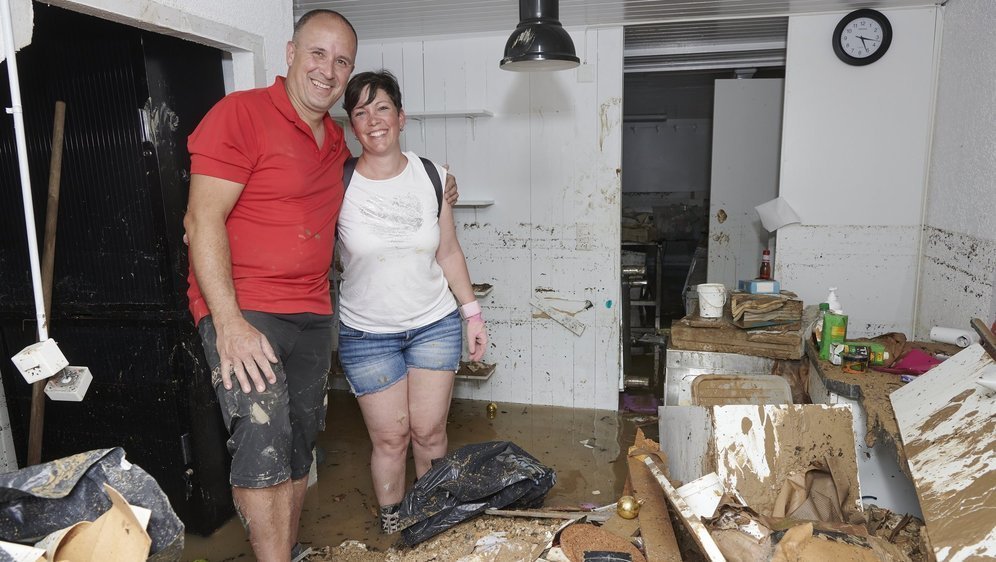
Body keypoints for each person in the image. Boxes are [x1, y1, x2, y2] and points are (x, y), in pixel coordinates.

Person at [182, 10, 457, 561]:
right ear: (289, 52)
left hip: (310, 314)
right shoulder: (239, 115)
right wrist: (229, 324)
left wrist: (436, 180)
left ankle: (285, 549)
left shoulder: (334, 143)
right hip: (245, 311)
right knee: (261, 440)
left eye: (341, 60)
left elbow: (379, 176)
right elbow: (200, 221)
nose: (328, 70)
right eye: (317, 53)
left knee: (297, 444)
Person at [336, 70, 488, 534]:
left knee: (430, 432)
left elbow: (448, 251)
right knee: (390, 438)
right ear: (352, 125)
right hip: (366, 334)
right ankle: (394, 525)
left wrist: (472, 314)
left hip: (433, 324)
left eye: (382, 108)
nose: (373, 120)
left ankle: (434, 520)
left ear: (401, 117)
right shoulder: (335, 182)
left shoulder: (433, 176)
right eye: (360, 112)